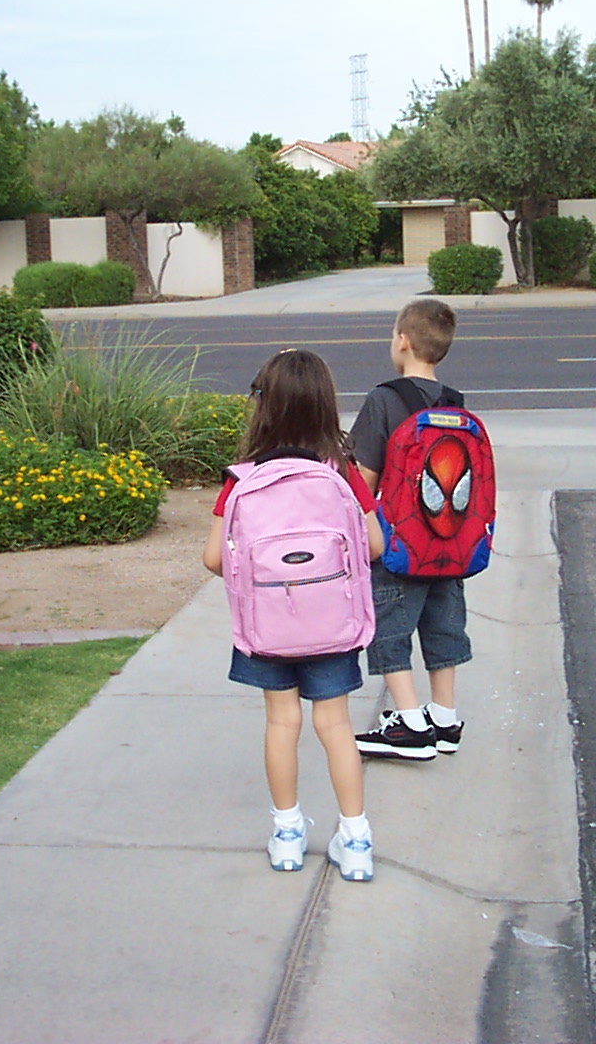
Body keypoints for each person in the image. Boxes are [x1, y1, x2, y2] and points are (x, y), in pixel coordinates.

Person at [204, 349, 384, 882]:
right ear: (326, 405)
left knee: (282, 722)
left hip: (268, 628)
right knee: (336, 725)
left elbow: (215, 558)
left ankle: (287, 834)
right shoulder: (341, 470)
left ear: (264, 407)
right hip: (332, 626)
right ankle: (354, 839)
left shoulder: (242, 478)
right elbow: (372, 544)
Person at [348, 299, 470, 761]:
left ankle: (409, 723)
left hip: (402, 542)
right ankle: (445, 717)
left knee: (390, 627)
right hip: (452, 539)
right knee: (443, 625)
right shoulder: (456, 403)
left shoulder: (385, 398)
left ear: (402, 340)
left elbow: (365, 479)